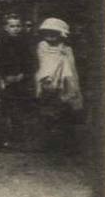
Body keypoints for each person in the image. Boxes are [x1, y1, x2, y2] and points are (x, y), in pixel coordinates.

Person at [0, 13, 35, 147]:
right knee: (3, 109)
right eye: (12, 26)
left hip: (21, 80)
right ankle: (1, 139)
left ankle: (18, 138)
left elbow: (31, 62)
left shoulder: (25, 43)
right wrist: (2, 77)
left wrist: (22, 75)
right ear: (6, 27)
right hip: (4, 80)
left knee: (19, 109)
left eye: (18, 26)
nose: (15, 29)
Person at [34, 18, 83, 151]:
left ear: (61, 34)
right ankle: (48, 142)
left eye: (54, 33)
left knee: (64, 110)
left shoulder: (66, 49)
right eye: (47, 33)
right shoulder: (42, 46)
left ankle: (66, 143)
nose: (50, 37)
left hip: (64, 82)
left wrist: (69, 81)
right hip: (47, 82)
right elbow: (44, 63)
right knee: (47, 110)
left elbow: (71, 68)